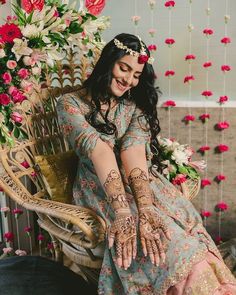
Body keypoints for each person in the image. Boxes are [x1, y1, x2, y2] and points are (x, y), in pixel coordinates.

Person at [56, 33, 236, 295]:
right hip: (101, 189)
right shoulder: (70, 104)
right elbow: (100, 153)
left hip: (142, 187)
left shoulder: (133, 107)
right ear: (108, 62)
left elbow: (134, 155)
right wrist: (123, 213)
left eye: (136, 74)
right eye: (124, 68)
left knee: (185, 243)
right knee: (165, 251)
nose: (128, 79)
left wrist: (147, 208)